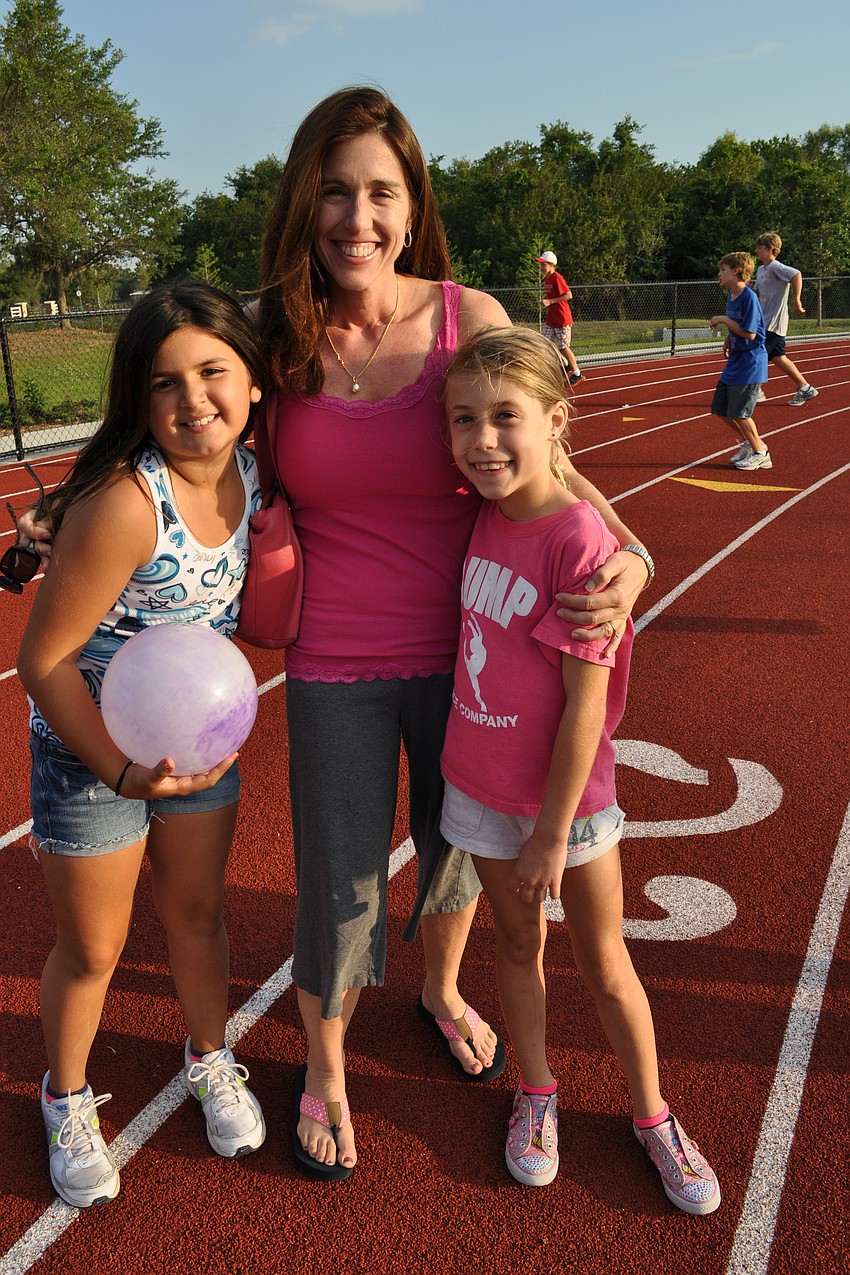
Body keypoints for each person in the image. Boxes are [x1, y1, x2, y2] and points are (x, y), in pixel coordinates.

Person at [254, 87, 652, 1181]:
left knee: (455, 857)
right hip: (332, 662)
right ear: (304, 200)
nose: (357, 217)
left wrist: (635, 558)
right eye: (334, 191)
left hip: (476, 656)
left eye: (381, 191)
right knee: (338, 878)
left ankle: (437, 988)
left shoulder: (467, 319)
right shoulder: (272, 334)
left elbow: (555, 469)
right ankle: (326, 1064)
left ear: (410, 200)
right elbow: (182, 448)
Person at [440, 325, 720, 1214]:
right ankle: (537, 1090)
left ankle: (653, 1115)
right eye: (463, 419)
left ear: (556, 421)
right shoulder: (484, 502)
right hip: (477, 785)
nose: (483, 439)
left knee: (605, 962)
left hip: (568, 810)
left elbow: (584, 709)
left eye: (505, 418)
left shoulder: (578, 544)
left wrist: (553, 834)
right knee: (518, 948)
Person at [16, 282, 267, 1208]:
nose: (192, 398)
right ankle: (66, 1097)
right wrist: (120, 769)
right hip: (95, 754)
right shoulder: (128, 503)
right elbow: (42, 658)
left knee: (198, 915)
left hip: (196, 739)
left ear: (252, 383)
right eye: (164, 382)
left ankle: (211, 1057)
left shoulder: (258, 476)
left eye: (213, 371)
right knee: (93, 948)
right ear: (138, 397)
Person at [709, 252, 770, 471]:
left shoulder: (748, 297)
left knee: (741, 413)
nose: (719, 274)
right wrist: (728, 339)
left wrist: (723, 320)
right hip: (736, 360)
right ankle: (749, 444)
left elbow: (751, 333)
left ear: (736, 271)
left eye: (723, 269)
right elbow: (737, 324)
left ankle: (761, 452)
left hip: (750, 362)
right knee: (720, 408)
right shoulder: (732, 296)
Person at [753, 232, 817, 407]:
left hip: (774, 322)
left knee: (758, 355)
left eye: (759, 248)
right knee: (779, 358)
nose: (756, 251)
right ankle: (805, 388)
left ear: (770, 249)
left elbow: (796, 274)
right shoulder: (761, 270)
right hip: (764, 321)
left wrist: (796, 299)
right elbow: (757, 293)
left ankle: (756, 390)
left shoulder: (775, 267)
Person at [536, 251, 582, 384]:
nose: (541, 267)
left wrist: (550, 302)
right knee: (545, 343)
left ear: (551, 265)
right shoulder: (547, 279)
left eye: (543, 264)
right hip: (552, 318)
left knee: (563, 346)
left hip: (562, 318)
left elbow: (568, 295)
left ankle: (577, 372)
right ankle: (565, 363)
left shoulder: (557, 278)